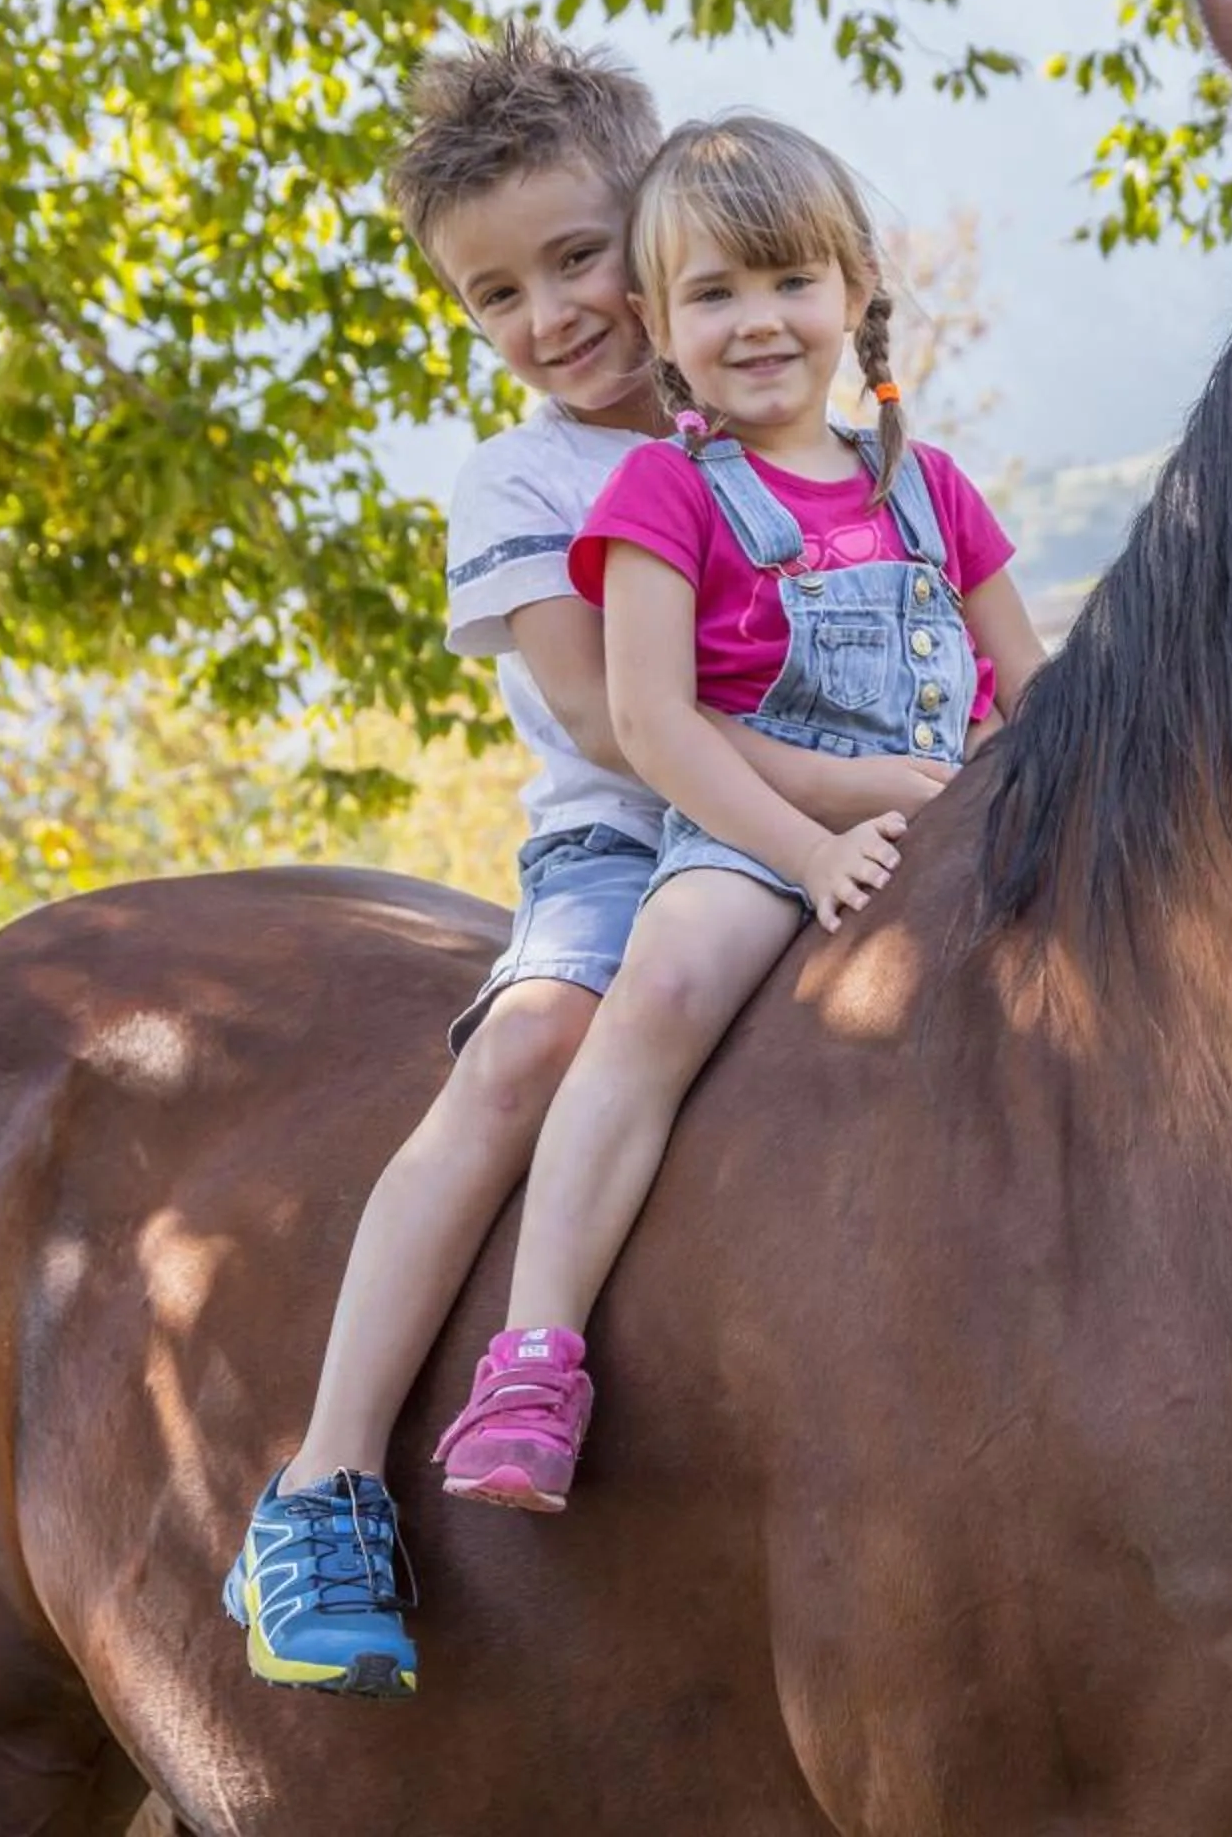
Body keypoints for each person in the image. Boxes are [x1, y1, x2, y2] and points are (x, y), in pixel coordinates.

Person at [225, 41, 945, 1700]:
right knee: (542, 1044)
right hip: (633, 833)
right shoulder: (531, 478)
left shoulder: (792, 425)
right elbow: (615, 724)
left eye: (575, 260)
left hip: (846, 807)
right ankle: (327, 1479)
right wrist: (888, 791)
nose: (549, 317)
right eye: (493, 296)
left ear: (659, 227)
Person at [429, 113, 1047, 1515]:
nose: (758, 323)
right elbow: (650, 723)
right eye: (714, 295)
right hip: (745, 830)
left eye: (789, 284)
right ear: (659, 322)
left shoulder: (928, 484)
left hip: (950, 810)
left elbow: (1026, 685)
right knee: (663, 993)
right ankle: (535, 1353)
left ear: (855, 296)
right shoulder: (663, 490)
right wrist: (808, 848)